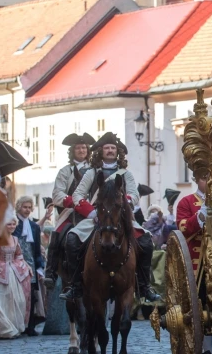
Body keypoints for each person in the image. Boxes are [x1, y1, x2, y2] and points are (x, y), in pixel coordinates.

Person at [60, 132, 161, 303]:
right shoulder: (92, 173)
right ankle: (75, 285)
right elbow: (77, 195)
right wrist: (92, 213)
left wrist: (123, 204)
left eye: (113, 148)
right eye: (106, 148)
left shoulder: (125, 174)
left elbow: (134, 195)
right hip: (96, 218)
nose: (110, 150)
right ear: (101, 150)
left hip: (120, 218)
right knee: (71, 239)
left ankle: (144, 286)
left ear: (118, 151)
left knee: (145, 240)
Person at [176, 173, 212, 354]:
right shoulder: (186, 202)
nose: (209, 182)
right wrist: (200, 216)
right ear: (197, 179)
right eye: (205, 178)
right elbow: (182, 229)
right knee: (202, 305)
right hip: (198, 266)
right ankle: (206, 350)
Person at [43, 133, 95, 288]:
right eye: (78, 148)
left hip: (92, 212)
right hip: (71, 212)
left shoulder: (94, 169)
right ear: (73, 151)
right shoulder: (65, 171)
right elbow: (57, 194)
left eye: (84, 147)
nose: (81, 150)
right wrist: (74, 202)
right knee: (57, 234)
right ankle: (51, 272)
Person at [0, 218, 32, 339]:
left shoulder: (15, 239)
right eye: (9, 224)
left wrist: (27, 266)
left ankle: (14, 327)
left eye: (14, 224)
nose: (12, 226)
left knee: (17, 301)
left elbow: (19, 255)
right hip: (0, 271)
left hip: (14, 272)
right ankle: (5, 329)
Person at [13, 196, 45, 336]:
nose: (27, 210)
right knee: (18, 296)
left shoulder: (34, 227)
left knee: (32, 296)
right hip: (15, 264)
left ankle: (30, 326)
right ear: (19, 207)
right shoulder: (13, 223)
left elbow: (37, 249)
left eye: (29, 207)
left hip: (31, 265)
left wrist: (39, 268)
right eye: (24, 207)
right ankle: (18, 325)